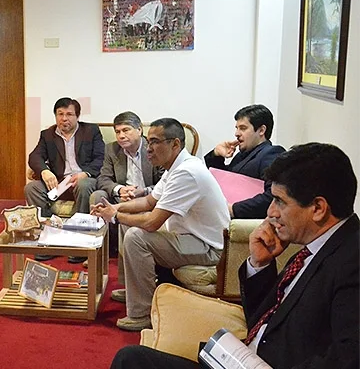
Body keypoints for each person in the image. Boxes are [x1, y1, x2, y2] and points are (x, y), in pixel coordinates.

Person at [110, 142, 359, 369]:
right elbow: (262, 318)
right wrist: (259, 265)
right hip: (239, 359)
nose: (271, 212)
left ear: (317, 208)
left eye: (280, 201)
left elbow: (347, 359)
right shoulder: (313, 248)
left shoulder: (351, 262)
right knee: (131, 359)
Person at [91, 118, 229, 331]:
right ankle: (133, 290)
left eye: (155, 142)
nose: (149, 148)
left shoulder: (186, 172)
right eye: (149, 141)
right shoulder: (175, 166)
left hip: (209, 248)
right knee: (129, 226)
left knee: (137, 236)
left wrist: (114, 217)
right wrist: (114, 208)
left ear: (175, 144)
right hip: (187, 235)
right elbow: (148, 201)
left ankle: (142, 314)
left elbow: (153, 221)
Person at [89, 111, 164, 301]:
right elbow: (103, 179)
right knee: (97, 196)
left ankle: (134, 286)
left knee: (125, 223)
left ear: (139, 130)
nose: (121, 135)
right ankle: (97, 257)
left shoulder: (154, 149)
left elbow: (166, 183)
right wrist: (119, 190)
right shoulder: (111, 149)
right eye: (117, 131)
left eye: (126, 130)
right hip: (121, 197)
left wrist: (143, 192)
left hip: (148, 197)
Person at [25, 97, 105, 263]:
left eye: (69, 114)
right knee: (31, 188)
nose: (64, 118)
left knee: (84, 185)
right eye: (60, 114)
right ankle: (49, 240)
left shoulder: (91, 131)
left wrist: (86, 173)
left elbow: (100, 158)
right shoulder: (47, 135)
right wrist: (45, 171)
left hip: (84, 179)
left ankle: (79, 243)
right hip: (59, 183)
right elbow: (35, 157)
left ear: (77, 116)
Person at [205, 104, 285, 218]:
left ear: (261, 130)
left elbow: (272, 196)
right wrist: (216, 155)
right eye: (237, 128)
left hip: (245, 221)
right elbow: (226, 181)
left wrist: (233, 209)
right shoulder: (242, 154)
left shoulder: (271, 153)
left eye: (243, 128)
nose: (236, 133)